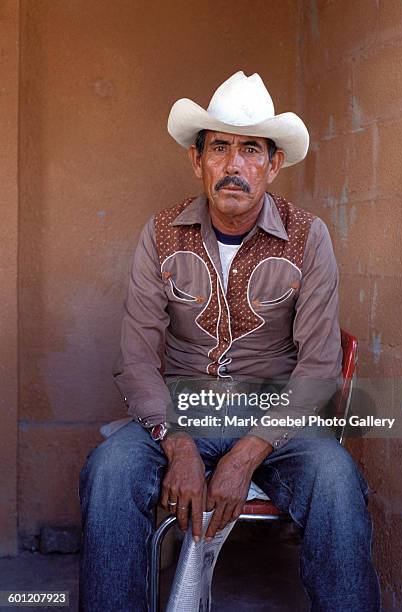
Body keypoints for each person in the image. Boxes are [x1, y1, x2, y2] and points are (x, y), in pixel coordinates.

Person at [78, 71, 380, 611]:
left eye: (250, 150)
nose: (233, 166)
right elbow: (137, 357)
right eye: (219, 148)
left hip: (274, 414)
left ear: (273, 164)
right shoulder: (162, 231)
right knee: (109, 471)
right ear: (198, 161)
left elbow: (317, 369)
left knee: (337, 479)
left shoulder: (309, 237)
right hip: (183, 408)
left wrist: (244, 456)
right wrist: (177, 443)